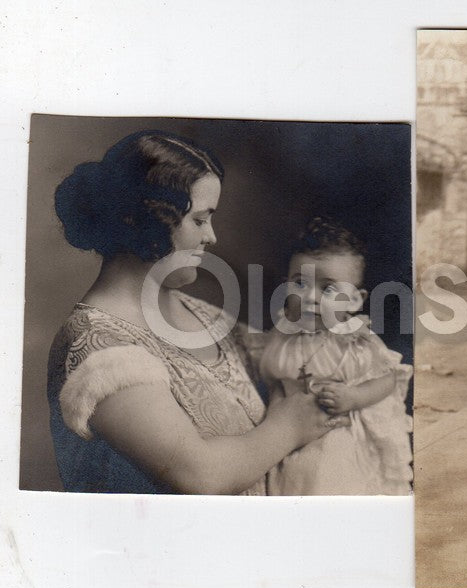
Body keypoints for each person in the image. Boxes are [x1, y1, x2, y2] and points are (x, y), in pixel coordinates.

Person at [48, 130, 347, 495]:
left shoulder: (201, 314)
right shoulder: (99, 350)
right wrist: (290, 427)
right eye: (200, 220)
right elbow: (201, 476)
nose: (212, 237)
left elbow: (293, 362)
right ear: (142, 220)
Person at [260, 217, 413, 495]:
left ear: (354, 300)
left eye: (328, 288)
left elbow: (388, 380)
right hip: (289, 437)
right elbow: (272, 377)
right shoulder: (283, 335)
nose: (310, 297)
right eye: (299, 283)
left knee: (329, 479)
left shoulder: (354, 341)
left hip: (338, 435)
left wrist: (354, 397)